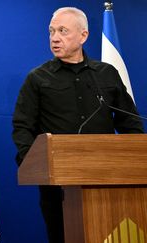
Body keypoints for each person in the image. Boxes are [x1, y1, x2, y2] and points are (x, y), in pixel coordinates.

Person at [12, 7, 144, 243]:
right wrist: (38, 165)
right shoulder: (38, 78)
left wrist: (134, 159)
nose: (54, 37)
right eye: (51, 31)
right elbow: (23, 127)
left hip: (106, 180)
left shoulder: (106, 73)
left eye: (63, 31)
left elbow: (129, 122)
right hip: (58, 186)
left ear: (83, 36)